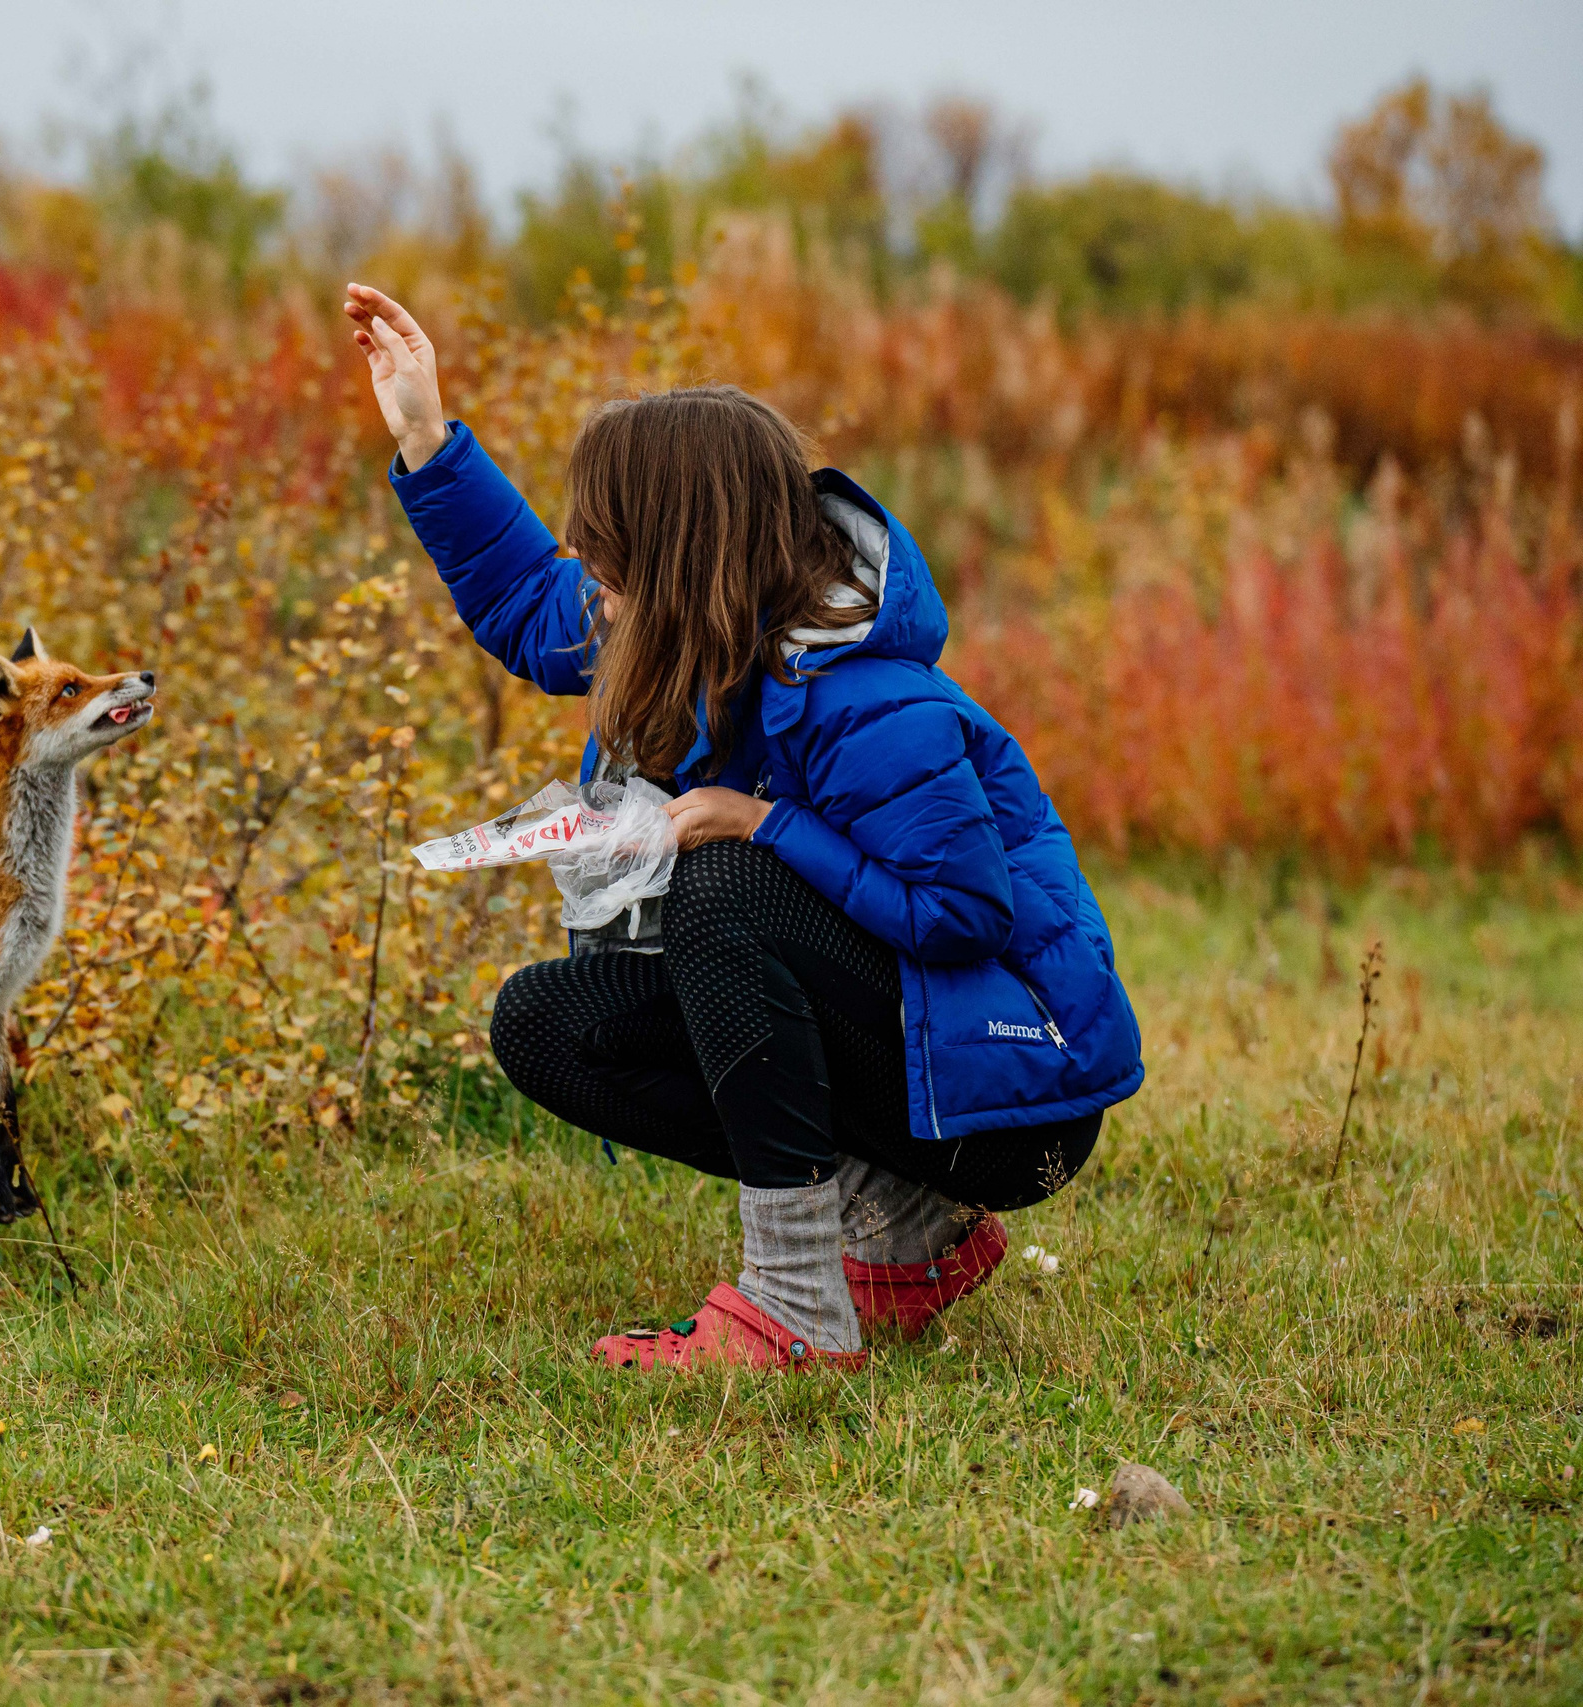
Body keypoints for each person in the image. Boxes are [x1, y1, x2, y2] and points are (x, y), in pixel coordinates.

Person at [345, 283, 1143, 1372]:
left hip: (1011, 1107)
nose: (586, 567)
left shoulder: (869, 701)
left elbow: (960, 915)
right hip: (910, 1062)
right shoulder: (685, 631)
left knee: (728, 889)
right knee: (547, 1022)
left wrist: (759, 823)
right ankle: (907, 1238)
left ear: (677, 558)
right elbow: (531, 607)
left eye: (607, 548)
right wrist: (428, 440)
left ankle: (796, 1308)